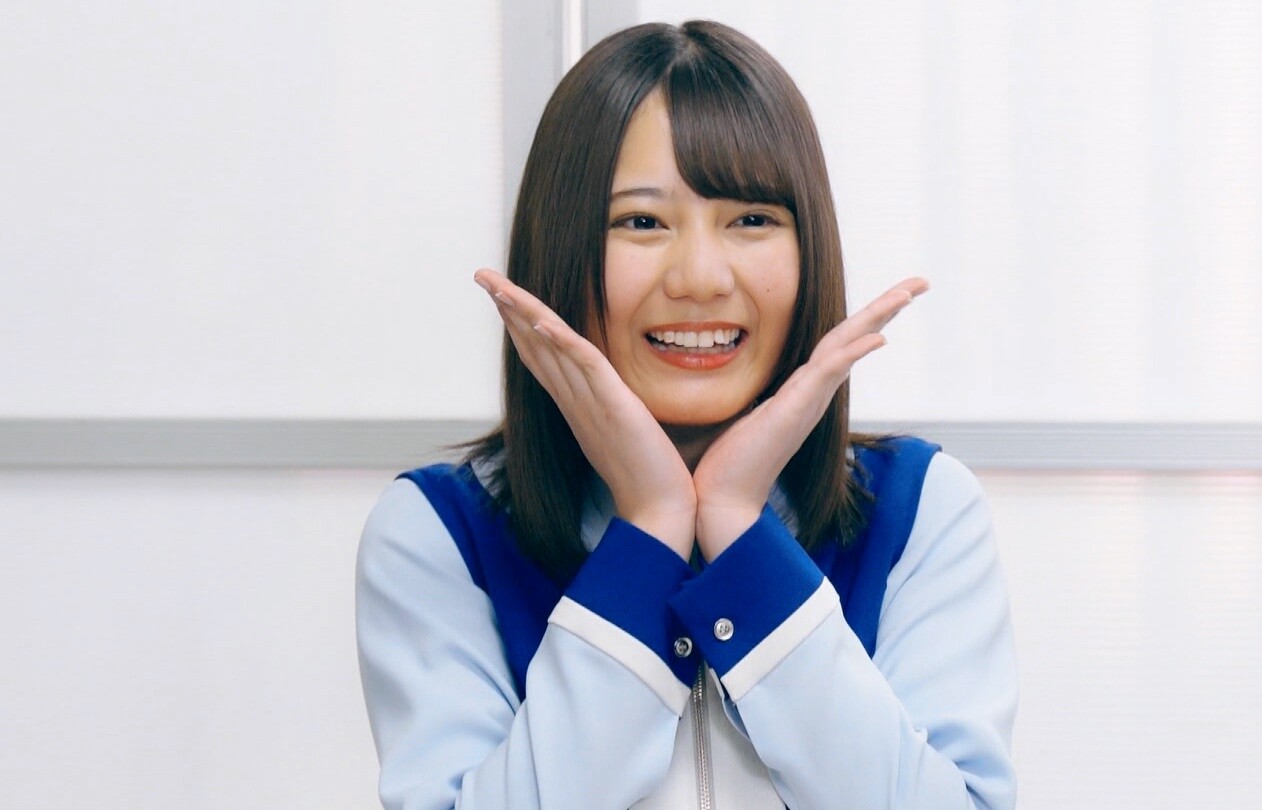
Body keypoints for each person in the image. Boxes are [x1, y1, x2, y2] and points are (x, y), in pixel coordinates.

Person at [355, 19, 1017, 810]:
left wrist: (739, 532)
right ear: (559, 246)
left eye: (751, 220)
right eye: (642, 222)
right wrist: (649, 535)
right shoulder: (442, 533)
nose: (701, 277)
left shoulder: (917, 510)